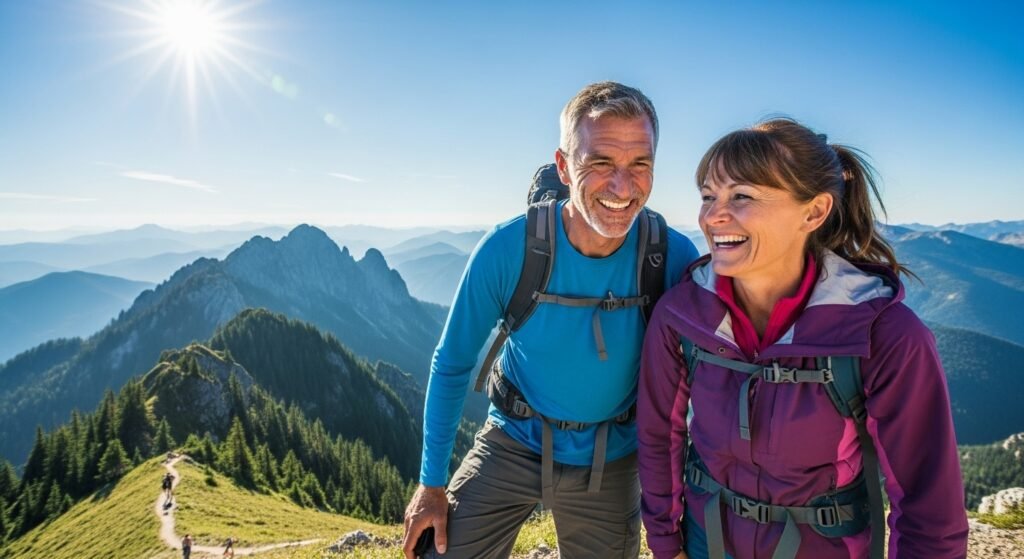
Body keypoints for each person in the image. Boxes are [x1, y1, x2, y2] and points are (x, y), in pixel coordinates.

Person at [637, 118, 969, 559]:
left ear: (813, 212)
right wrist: (664, 543)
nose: (713, 215)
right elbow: (661, 436)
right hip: (706, 543)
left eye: (742, 196)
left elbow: (929, 501)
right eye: (708, 195)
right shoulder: (681, 314)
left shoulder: (884, 334)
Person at [402, 81, 699, 559]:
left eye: (639, 164)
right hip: (513, 440)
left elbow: (707, 376)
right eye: (600, 162)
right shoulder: (508, 250)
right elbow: (452, 361)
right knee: (435, 551)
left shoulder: (669, 258)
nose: (622, 187)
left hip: (612, 454)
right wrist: (431, 485)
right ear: (564, 166)